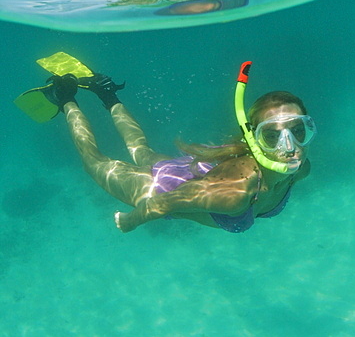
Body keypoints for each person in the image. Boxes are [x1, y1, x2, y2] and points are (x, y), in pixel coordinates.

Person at [43, 67, 315, 234]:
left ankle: (107, 94)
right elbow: (161, 203)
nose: (289, 147)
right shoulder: (235, 194)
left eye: (298, 130)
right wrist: (130, 222)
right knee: (93, 162)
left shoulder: (299, 170)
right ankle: (66, 97)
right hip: (159, 189)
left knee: (141, 150)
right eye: (272, 135)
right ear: (254, 139)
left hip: (187, 173)